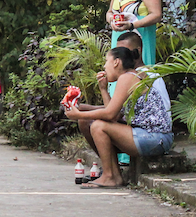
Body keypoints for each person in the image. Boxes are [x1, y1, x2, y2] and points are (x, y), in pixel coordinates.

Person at [64, 46, 173, 188]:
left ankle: (109, 176)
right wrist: (103, 89)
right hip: (151, 137)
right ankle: (114, 175)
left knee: (98, 126)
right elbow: (114, 114)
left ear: (116, 62)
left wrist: (78, 114)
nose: (104, 66)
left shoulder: (127, 77)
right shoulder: (131, 76)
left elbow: (110, 114)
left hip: (155, 138)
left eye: (106, 61)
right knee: (87, 121)